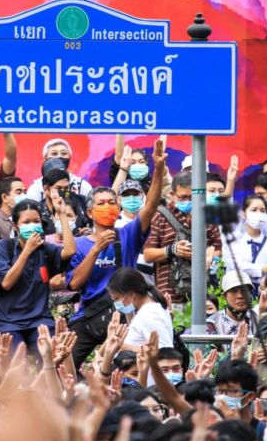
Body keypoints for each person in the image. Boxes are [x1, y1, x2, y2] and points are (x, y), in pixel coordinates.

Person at [67, 138, 166, 369]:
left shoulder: (127, 234)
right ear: (90, 212)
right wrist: (97, 249)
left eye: (112, 202)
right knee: (64, 363)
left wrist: (159, 168)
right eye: (101, 203)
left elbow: (150, 207)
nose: (108, 206)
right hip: (91, 315)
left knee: (124, 370)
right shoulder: (80, 243)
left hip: (125, 314)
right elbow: (75, 284)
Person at [0, 198, 75, 351]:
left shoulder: (45, 250)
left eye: (36, 221)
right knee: (16, 365)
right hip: (8, 321)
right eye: (26, 222)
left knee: (51, 356)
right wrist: (27, 250)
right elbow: (6, 283)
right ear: (16, 226)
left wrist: (62, 215)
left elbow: (69, 251)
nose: (32, 226)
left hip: (40, 319)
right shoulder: (4, 247)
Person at [142, 171, 223, 305]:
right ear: (172, 194)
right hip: (169, 295)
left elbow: (218, 250)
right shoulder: (160, 216)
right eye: (183, 197)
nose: (188, 201)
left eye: (192, 197)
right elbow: (148, 254)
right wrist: (172, 250)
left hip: (202, 293)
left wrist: (207, 257)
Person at [106, 268, 173, 352]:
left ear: (131, 294)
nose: (116, 303)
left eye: (117, 298)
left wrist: (122, 346)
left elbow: (164, 351)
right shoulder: (147, 311)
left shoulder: (149, 315)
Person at [224, 195, 267, 285]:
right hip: (238, 288)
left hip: (263, 290)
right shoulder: (233, 239)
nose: (259, 214)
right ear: (243, 213)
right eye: (254, 210)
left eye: (263, 211)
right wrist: (263, 269)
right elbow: (238, 266)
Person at [25, 139, 94, 201]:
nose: (59, 156)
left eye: (64, 153)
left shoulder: (82, 185)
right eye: (54, 153)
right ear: (45, 159)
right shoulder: (36, 188)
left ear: (69, 157)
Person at [210, 271, 258, 335]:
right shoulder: (213, 323)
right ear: (224, 296)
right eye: (234, 291)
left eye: (244, 290)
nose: (240, 296)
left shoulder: (258, 319)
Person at [0, 176, 24, 247]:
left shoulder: (26, 217)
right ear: (4, 197)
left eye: (25, 192)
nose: (24, 196)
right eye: (19, 193)